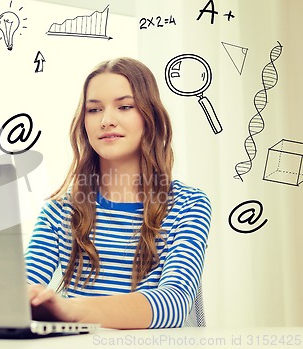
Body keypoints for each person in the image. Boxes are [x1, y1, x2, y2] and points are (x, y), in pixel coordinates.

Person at [25, 57, 212, 329]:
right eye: (94, 110)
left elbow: (174, 303)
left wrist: (70, 309)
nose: (106, 120)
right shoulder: (60, 209)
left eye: (124, 107)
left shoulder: (189, 205)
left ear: (150, 117)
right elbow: (23, 290)